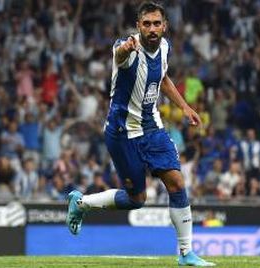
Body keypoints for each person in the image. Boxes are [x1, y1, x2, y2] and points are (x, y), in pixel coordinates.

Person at [66, 2, 215, 266]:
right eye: (146, 24)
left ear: (164, 26)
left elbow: (163, 77)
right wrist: (124, 50)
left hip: (152, 127)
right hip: (122, 133)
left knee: (177, 183)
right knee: (136, 200)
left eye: (157, 23)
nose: (152, 29)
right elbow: (120, 57)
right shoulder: (127, 48)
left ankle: (185, 254)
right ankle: (82, 203)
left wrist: (184, 107)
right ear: (138, 26)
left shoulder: (165, 47)